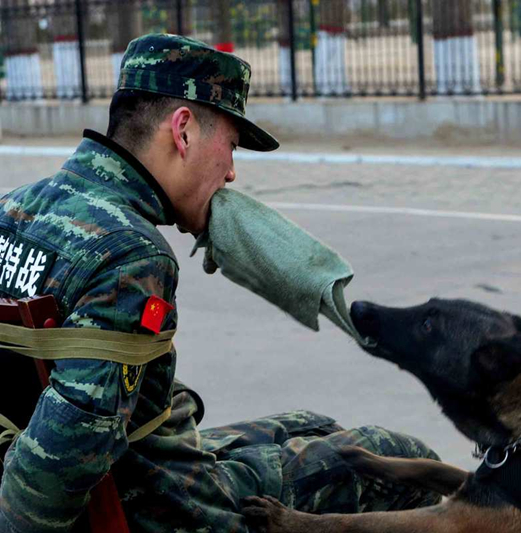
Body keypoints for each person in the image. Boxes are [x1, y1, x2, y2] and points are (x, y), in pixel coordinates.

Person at [0, 34, 440, 533]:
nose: (231, 173)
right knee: (397, 457)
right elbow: (54, 469)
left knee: (314, 426)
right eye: (230, 146)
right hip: (169, 505)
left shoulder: (14, 209)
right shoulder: (128, 254)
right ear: (183, 131)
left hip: (138, 467)